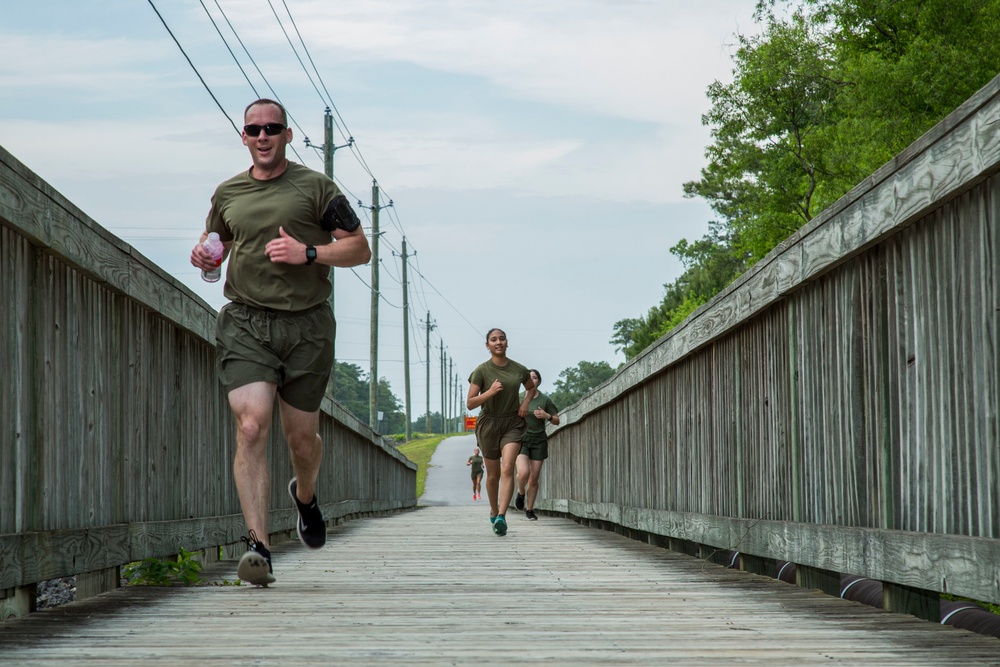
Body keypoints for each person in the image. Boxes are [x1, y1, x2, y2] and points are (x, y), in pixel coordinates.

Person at [189, 98, 371, 586]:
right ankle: (259, 548)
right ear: (243, 137)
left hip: (307, 327)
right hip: (247, 322)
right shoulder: (228, 192)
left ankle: (305, 497)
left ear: (288, 135)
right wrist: (206, 258)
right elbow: (218, 243)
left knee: (302, 441)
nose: (263, 136)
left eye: (272, 128)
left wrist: (308, 252)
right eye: (253, 129)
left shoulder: (316, 187)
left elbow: (359, 248)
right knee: (250, 427)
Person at [466, 328, 536, 536]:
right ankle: (493, 510)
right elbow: (470, 403)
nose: (498, 342)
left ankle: (502, 516)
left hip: (512, 423)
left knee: (507, 468)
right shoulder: (481, 371)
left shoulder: (519, 369)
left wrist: (525, 401)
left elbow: (530, 388)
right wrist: (489, 392)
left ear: (507, 343)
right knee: (493, 476)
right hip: (488, 424)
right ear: (487, 346)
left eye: (502, 339)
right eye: (493, 340)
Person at [514, 369, 560, 520]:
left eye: (534, 378)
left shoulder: (545, 400)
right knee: (523, 472)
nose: (531, 380)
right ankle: (521, 492)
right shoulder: (517, 398)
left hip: (538, 440)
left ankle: (529, 509)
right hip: (521, 440)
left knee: (533, 478)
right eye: (528, 378)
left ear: (538, 381)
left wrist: (546, 416)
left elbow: (556, 420)